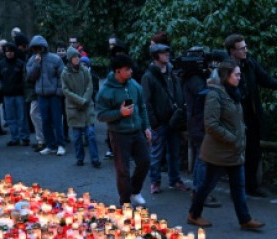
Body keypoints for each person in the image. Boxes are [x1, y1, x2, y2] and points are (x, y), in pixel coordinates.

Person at [186, 59, 265, 231]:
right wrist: (232, 138)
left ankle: (245, 219)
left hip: (233, 151)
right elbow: (211, 125)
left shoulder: (233, 93)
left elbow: (235, 119)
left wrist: (239, 136)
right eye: (236, 74)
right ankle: (194, 214)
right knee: (207, 185)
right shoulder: (215, 94)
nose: (239, 77)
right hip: (218, 152)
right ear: (226, 76)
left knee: (238, 187)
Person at [225, 34, 277, 197]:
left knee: (253, 151)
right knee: (236, 153)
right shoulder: (226, 68)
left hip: (251, 115)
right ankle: (236, 188)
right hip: (235, 117)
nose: (246, 50)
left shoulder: (250, 64)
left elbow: (264, 78)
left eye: (246, 47)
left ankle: (251, 186)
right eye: (242, 48)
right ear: (232, 51)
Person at [96, 54, 151, 206]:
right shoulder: (106, 91)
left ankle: (135, 190)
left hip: (136, 131)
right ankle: (125, 201)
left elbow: (142, 107)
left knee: (145, 161)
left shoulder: (135, 86)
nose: (131, 72)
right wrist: (120, 113)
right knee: (123, 170)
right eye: (127, 69)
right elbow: (100, 115)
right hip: (119, 133)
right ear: (118, 71)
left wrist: (146, 127)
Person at [143, 43, 188, 193]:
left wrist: (180, 111)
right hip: (160, 121)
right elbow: (147, 101)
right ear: (156, 56)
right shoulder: (149, 76)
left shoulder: (171, 73)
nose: (167, 54)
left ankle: (174, 180)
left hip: (173, 119)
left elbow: (178, 92)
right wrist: (153, 122)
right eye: (163, 53)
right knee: (157, 153)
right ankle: (155, 182)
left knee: (174, 152)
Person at [183, 48, 225, 208]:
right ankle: (199, 192)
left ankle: (199, 191)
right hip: (198, 123)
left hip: (199, 122)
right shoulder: (193, 77)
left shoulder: (195, 75)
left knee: (202, 158)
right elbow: (203, 92)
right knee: (203, 158)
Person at [26, 35, 66, 156]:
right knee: (45, 121)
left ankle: (61, 145)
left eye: (40, 47)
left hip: (54, 95)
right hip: (41, 95)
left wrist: (59, 91)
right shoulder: (32, 60)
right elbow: (31, 77)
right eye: (35, 47)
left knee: (57, 120)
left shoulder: (55, 59)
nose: (38, 49)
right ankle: (50, 145)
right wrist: (36, 64)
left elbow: (62, 76)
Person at [61, 47, 98, 167]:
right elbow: (65, 90)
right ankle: (80, 158)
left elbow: (90, 86)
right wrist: (79, 100)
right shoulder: (65, 73)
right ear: (70, 59)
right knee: (77, 137)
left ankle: (95, 159)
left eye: (78, 57)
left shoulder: (85, 71)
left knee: (91, 134)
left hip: (86, 107)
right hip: (74, 108)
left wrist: (85, 100)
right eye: (75, 57)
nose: (77, 59)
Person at [0, 41, 29, 147]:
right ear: (4, 52)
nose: (9, 53)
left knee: (22, 117)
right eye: (7, 51)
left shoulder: (20, 64)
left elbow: (25, 78)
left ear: (14, 52)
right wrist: (1, 88)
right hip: (7, 95)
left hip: (19, 94)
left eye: (11, 51)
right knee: (10, 118)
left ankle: (24, 137)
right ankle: (14, 138)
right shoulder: (1, 64)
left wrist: (21, 88)